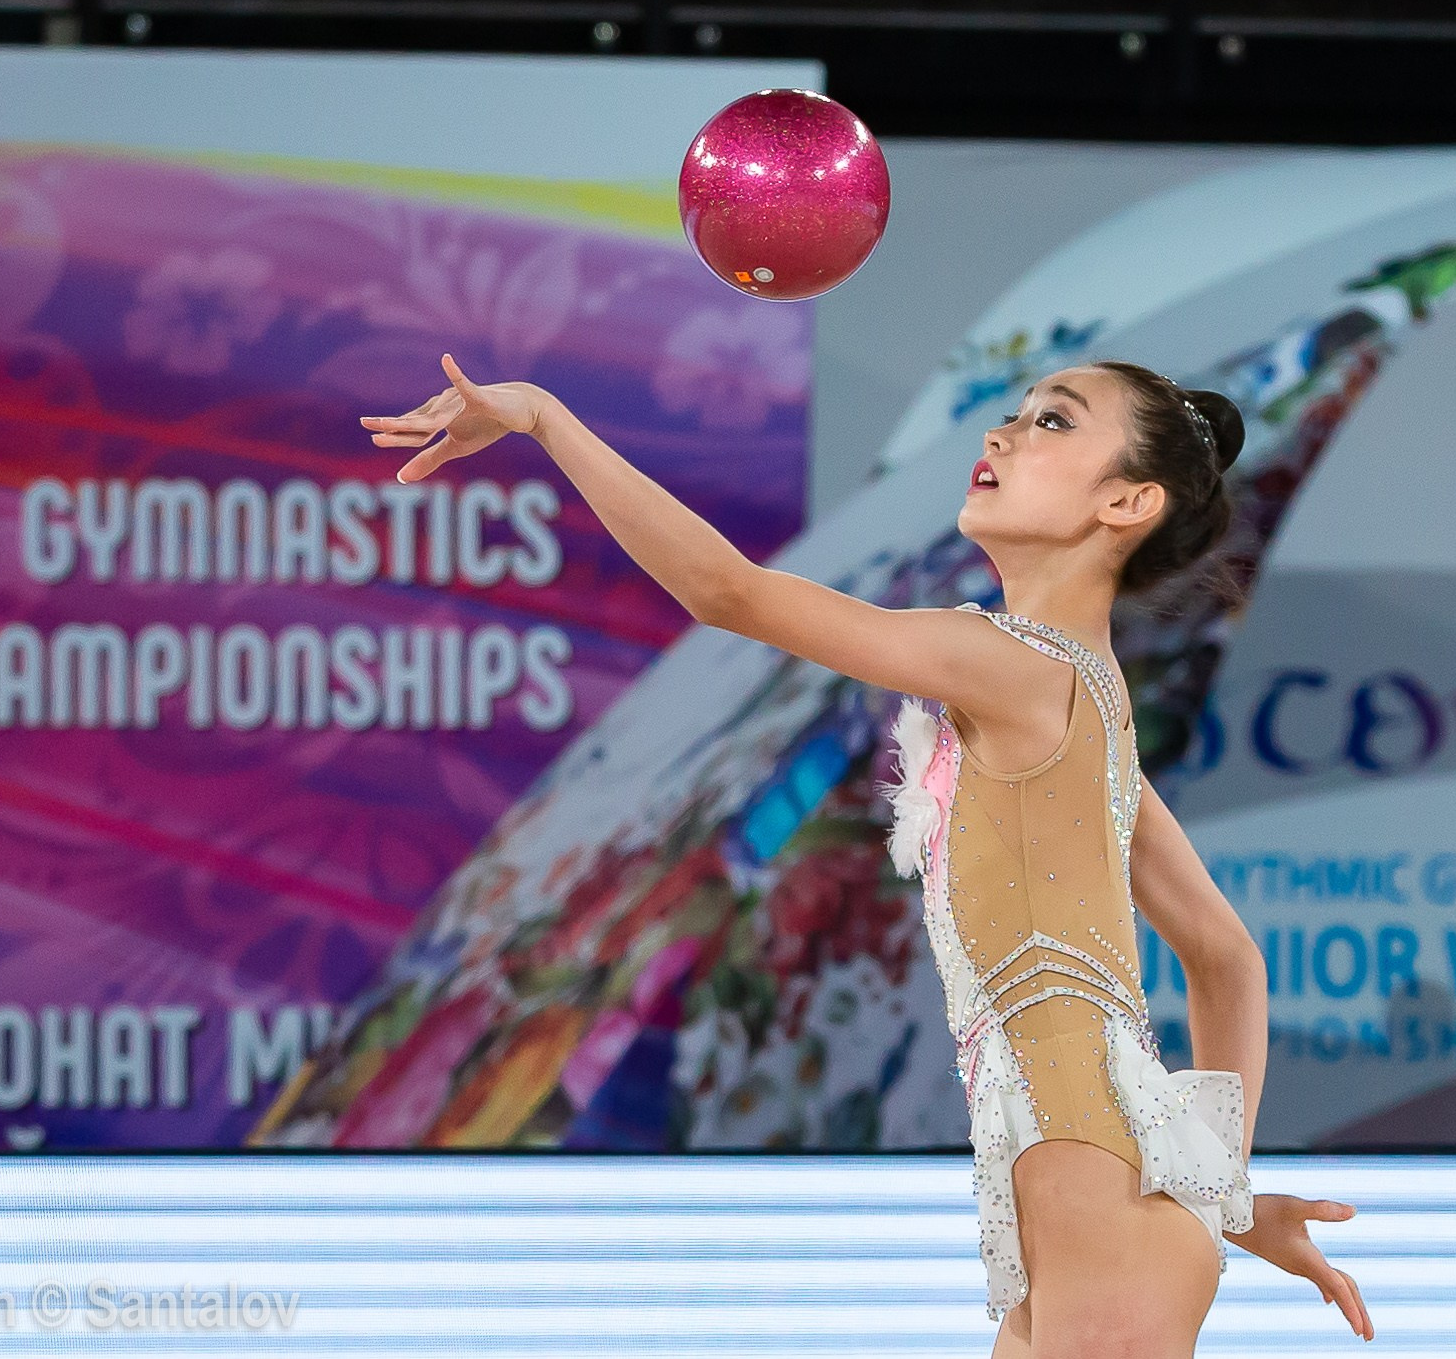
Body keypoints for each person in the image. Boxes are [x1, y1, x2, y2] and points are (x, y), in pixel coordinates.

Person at [364, 353, 1374, 1355]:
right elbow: (1225, 955)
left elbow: (729, 594)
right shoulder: (1085, 703)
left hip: (1100, 1219)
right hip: (1088, 1221)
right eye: (1018, 412)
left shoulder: (1013, 665)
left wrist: (547, 417)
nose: (1002, 433)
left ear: (1127, 501)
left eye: (1055, 421)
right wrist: (1216, 1195)